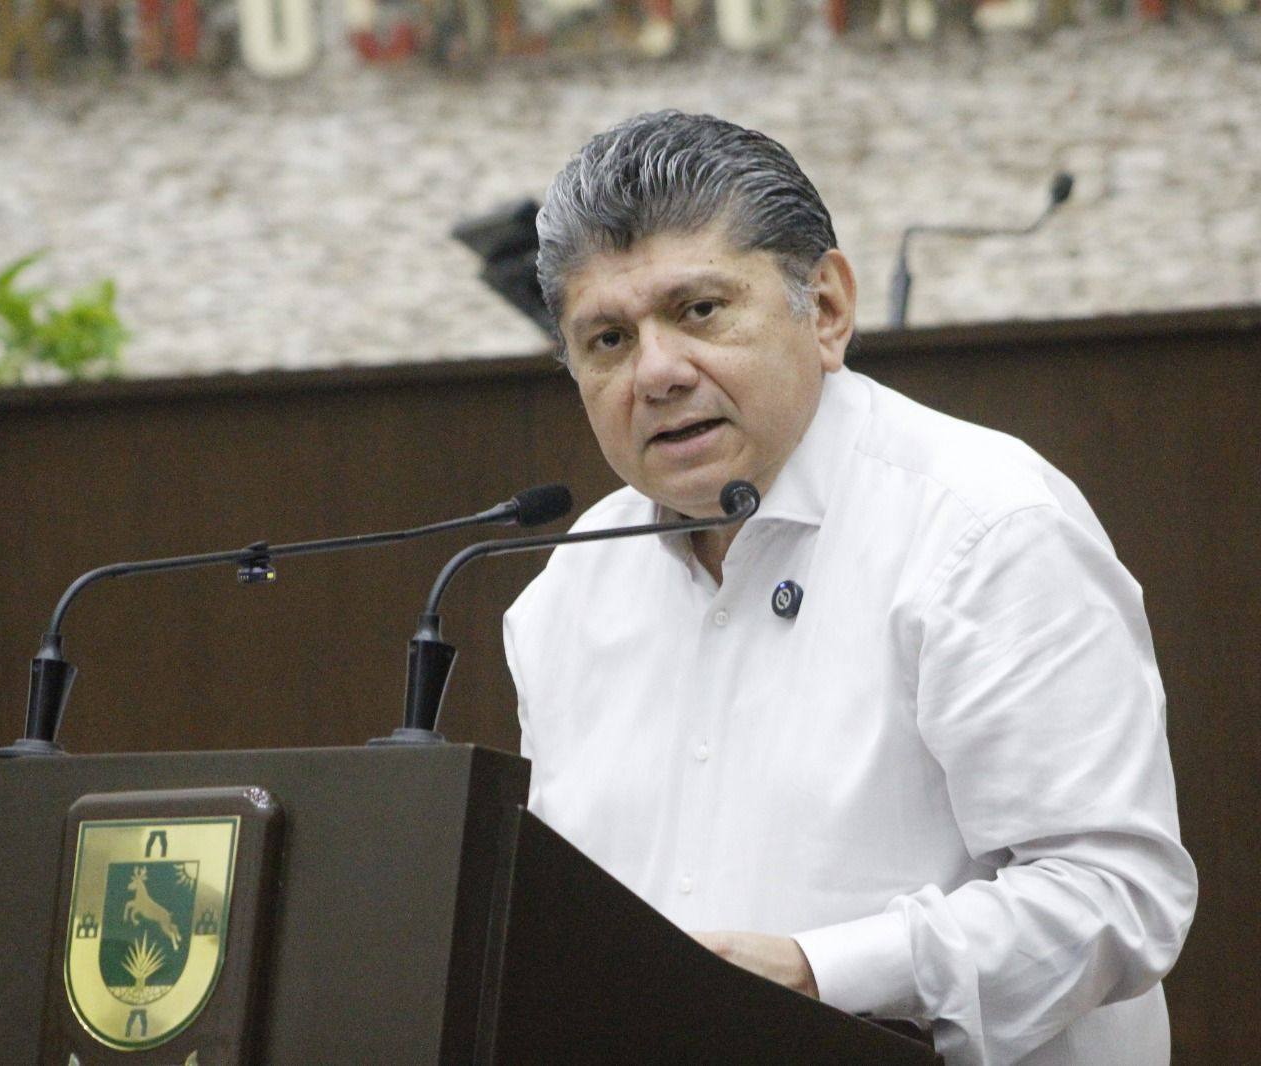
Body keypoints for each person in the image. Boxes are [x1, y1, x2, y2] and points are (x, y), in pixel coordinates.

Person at [501, 111, 1197, 1066]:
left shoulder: (984, 526)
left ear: (825, 309)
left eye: (699, 311)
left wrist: (820, 974)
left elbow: (1116, 896)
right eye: (609, 339)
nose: (656, 373)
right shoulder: (570, 588)